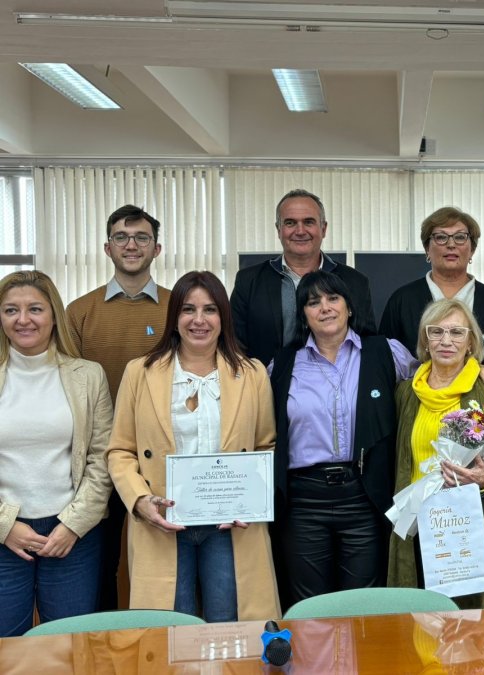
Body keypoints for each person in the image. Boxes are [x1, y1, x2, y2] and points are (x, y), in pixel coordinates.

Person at [106, 271, 280, 621]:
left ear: (223, 318)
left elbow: (267, 445)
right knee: (171, 631)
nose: (199, 320)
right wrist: (140, 500)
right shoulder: (139, 372)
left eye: (210, 310)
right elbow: (120, 451)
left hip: (230, 527)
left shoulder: (253, 373)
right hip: (163, 520)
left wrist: (251, 497)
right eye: (188, 309)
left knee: (229, 629)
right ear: (174, 318)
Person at [270, 271, 417, 607]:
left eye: (333, 298)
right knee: (310, 608)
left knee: (362, 606)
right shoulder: (282, 365)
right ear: (303, 314)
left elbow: (434, 381)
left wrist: (480, 369)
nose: (325, 307)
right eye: (313, 302)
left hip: (365, 495)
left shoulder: (385, 352)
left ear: (349, 307)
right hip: (303, 501)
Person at [388, 298, 484, 608]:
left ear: (470, 342)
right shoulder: (406, 393)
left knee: (474, 635)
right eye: (436, 331)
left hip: (475, 537)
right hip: (419, 532)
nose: (445, 340)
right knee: (421, 628)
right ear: (425, 340)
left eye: (456, 332)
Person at [67, 204, 171, 610]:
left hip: (162, 458)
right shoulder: (79, 312)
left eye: (141, 237)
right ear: (107, 248)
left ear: (156, 248)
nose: (132, 245)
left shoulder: (177, 309)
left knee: (164, 559)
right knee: (100, 564)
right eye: (122, 238)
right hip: (99, 458)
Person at [0, 271, 113, 637]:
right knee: (6, 648)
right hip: (4, 534)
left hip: (72, 534)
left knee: (69, 646)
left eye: (35, 308)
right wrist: (5, 526)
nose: (23, 320)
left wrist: (72, 526)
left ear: (53, 315)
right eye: (10, 310)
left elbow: (102, 459)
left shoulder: (89, 376)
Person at [380, 206, 484, 400]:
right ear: (427, 248)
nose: (451, 244)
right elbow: (384, 368)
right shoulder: (402, 301)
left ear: (472, 249)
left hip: (482, 417)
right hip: (416, 409)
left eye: (460, 237)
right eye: (441, 237)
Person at [231, 189, 376, 367]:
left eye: (309, 222)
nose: (300, 231)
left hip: (337, 390)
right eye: (290, 223)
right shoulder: (248, 281)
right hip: (266, 389)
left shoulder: (355, 282)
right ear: (279, 230)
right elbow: (234, 346)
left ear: (323, 229)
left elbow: (367, 344)